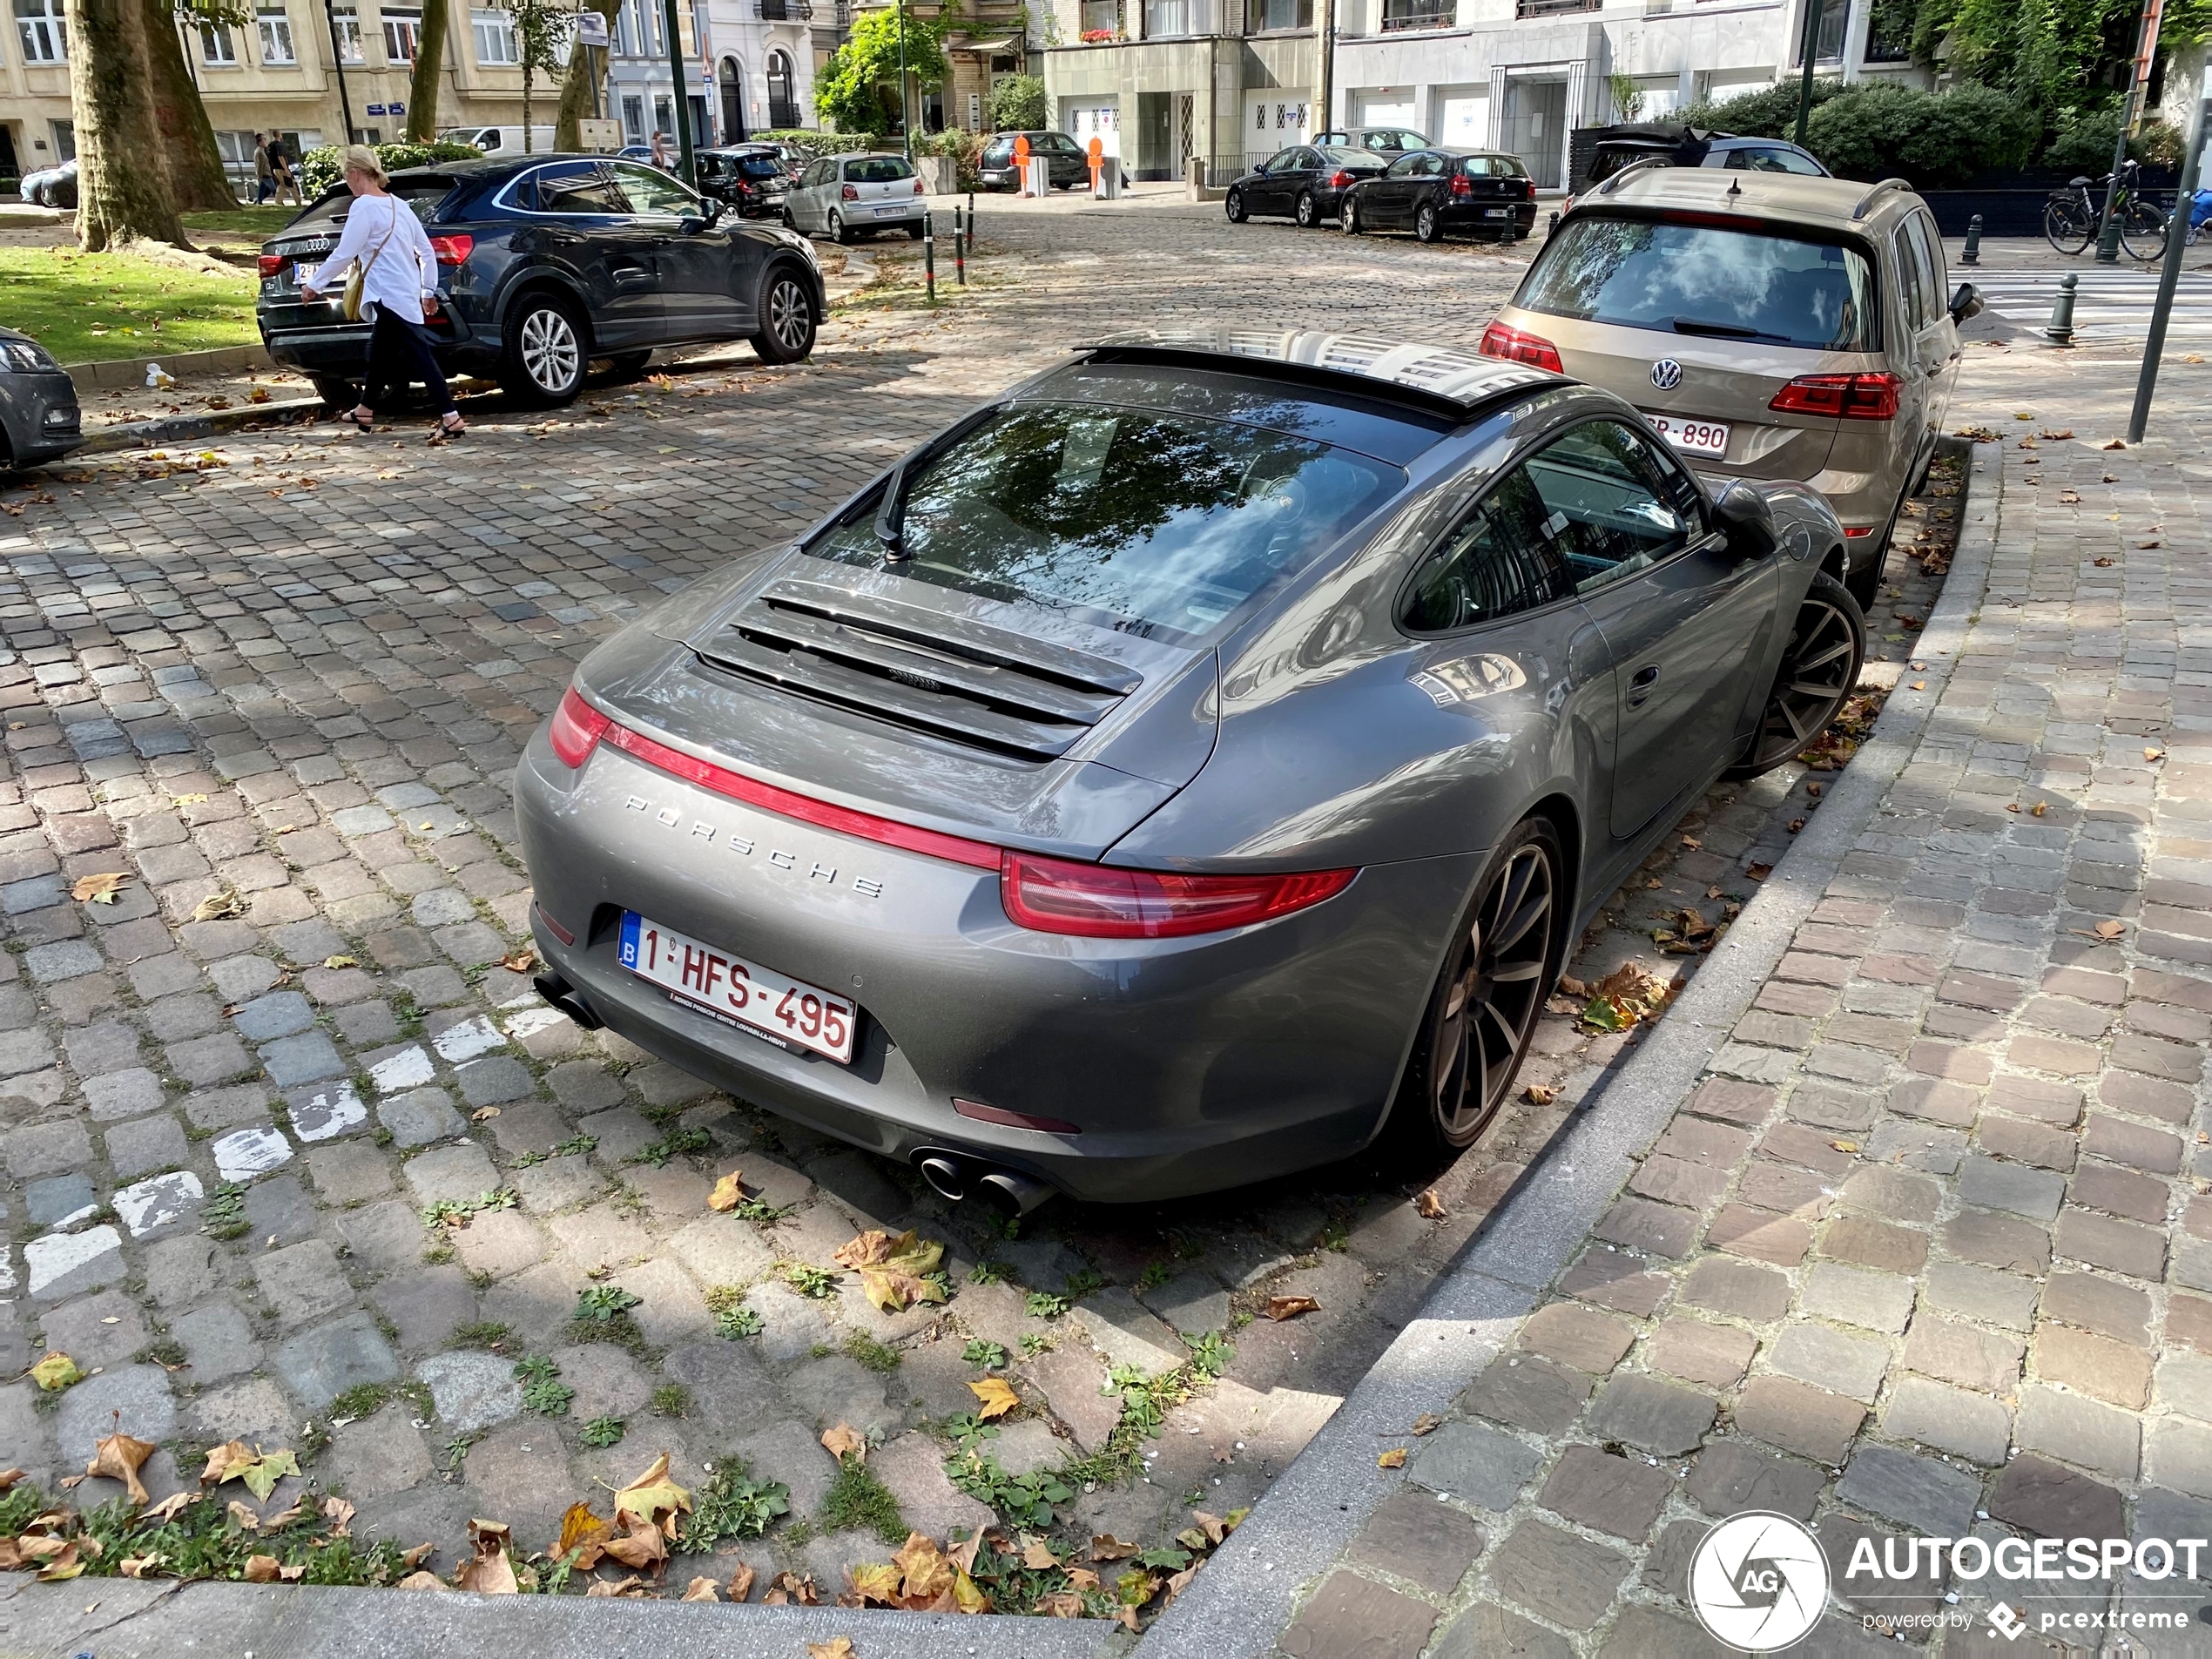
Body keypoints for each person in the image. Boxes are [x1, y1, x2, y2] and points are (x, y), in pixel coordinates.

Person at [299, 146, 466, 442]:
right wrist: (427, 290)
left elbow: (344, 253)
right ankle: (365, 408)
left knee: (420, 354)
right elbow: (425, 251)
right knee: (379, 353)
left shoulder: (363, 207)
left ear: (353, 173)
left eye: (345, 176)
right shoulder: (399, 206)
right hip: (404, 291)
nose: (347, 182)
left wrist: (315, 284)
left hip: (386, 294)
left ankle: (450, 416)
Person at [268, 135, 300, 206]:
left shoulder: (271, 147)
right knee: (292, 186)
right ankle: (298, 202)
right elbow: (281, 157)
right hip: (281, 169)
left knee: (282, 185)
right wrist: (286, 169)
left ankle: (278, 202)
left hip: (275, 169)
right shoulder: (279, 146)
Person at [253, 133, 273, 204]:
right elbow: (260, 165)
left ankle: (258, 201)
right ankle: (259, 201)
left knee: (264, 190)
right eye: (264, 140)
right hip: (265, 174)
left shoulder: (262, 151)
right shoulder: (259, 152)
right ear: (260, 142)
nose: (266, 141)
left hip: (266, 173)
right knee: (274, 189)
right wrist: (259, 175)